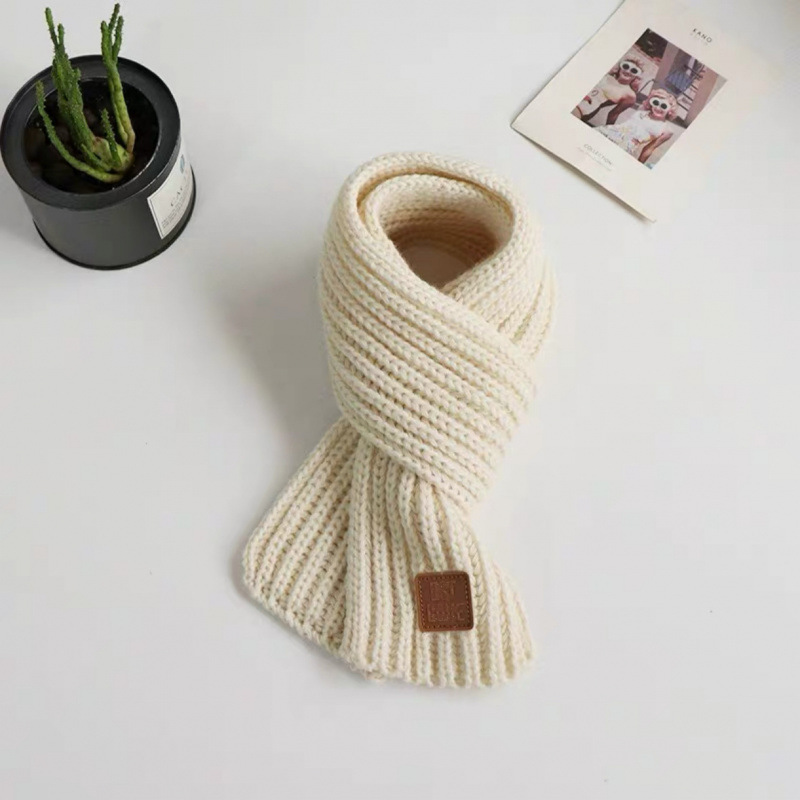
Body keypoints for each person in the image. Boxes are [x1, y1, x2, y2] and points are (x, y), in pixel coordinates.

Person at [594, 88, 678, 164]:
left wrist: (639, 166)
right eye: (655, 102)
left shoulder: (667, 130)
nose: (657, 108)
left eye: (663, 106)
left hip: (625, 146)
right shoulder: (643, 109)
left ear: (670, 110)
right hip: (609, 131)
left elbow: (649, 148)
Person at [573, 57, 644, 125]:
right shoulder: (606, 75)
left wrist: (608, 130)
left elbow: (613, 114)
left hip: (585, 109)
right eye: (626, 66)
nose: (628, 71)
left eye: (634, 71)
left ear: (637, 76)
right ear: (620, 67)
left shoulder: (630, 95)